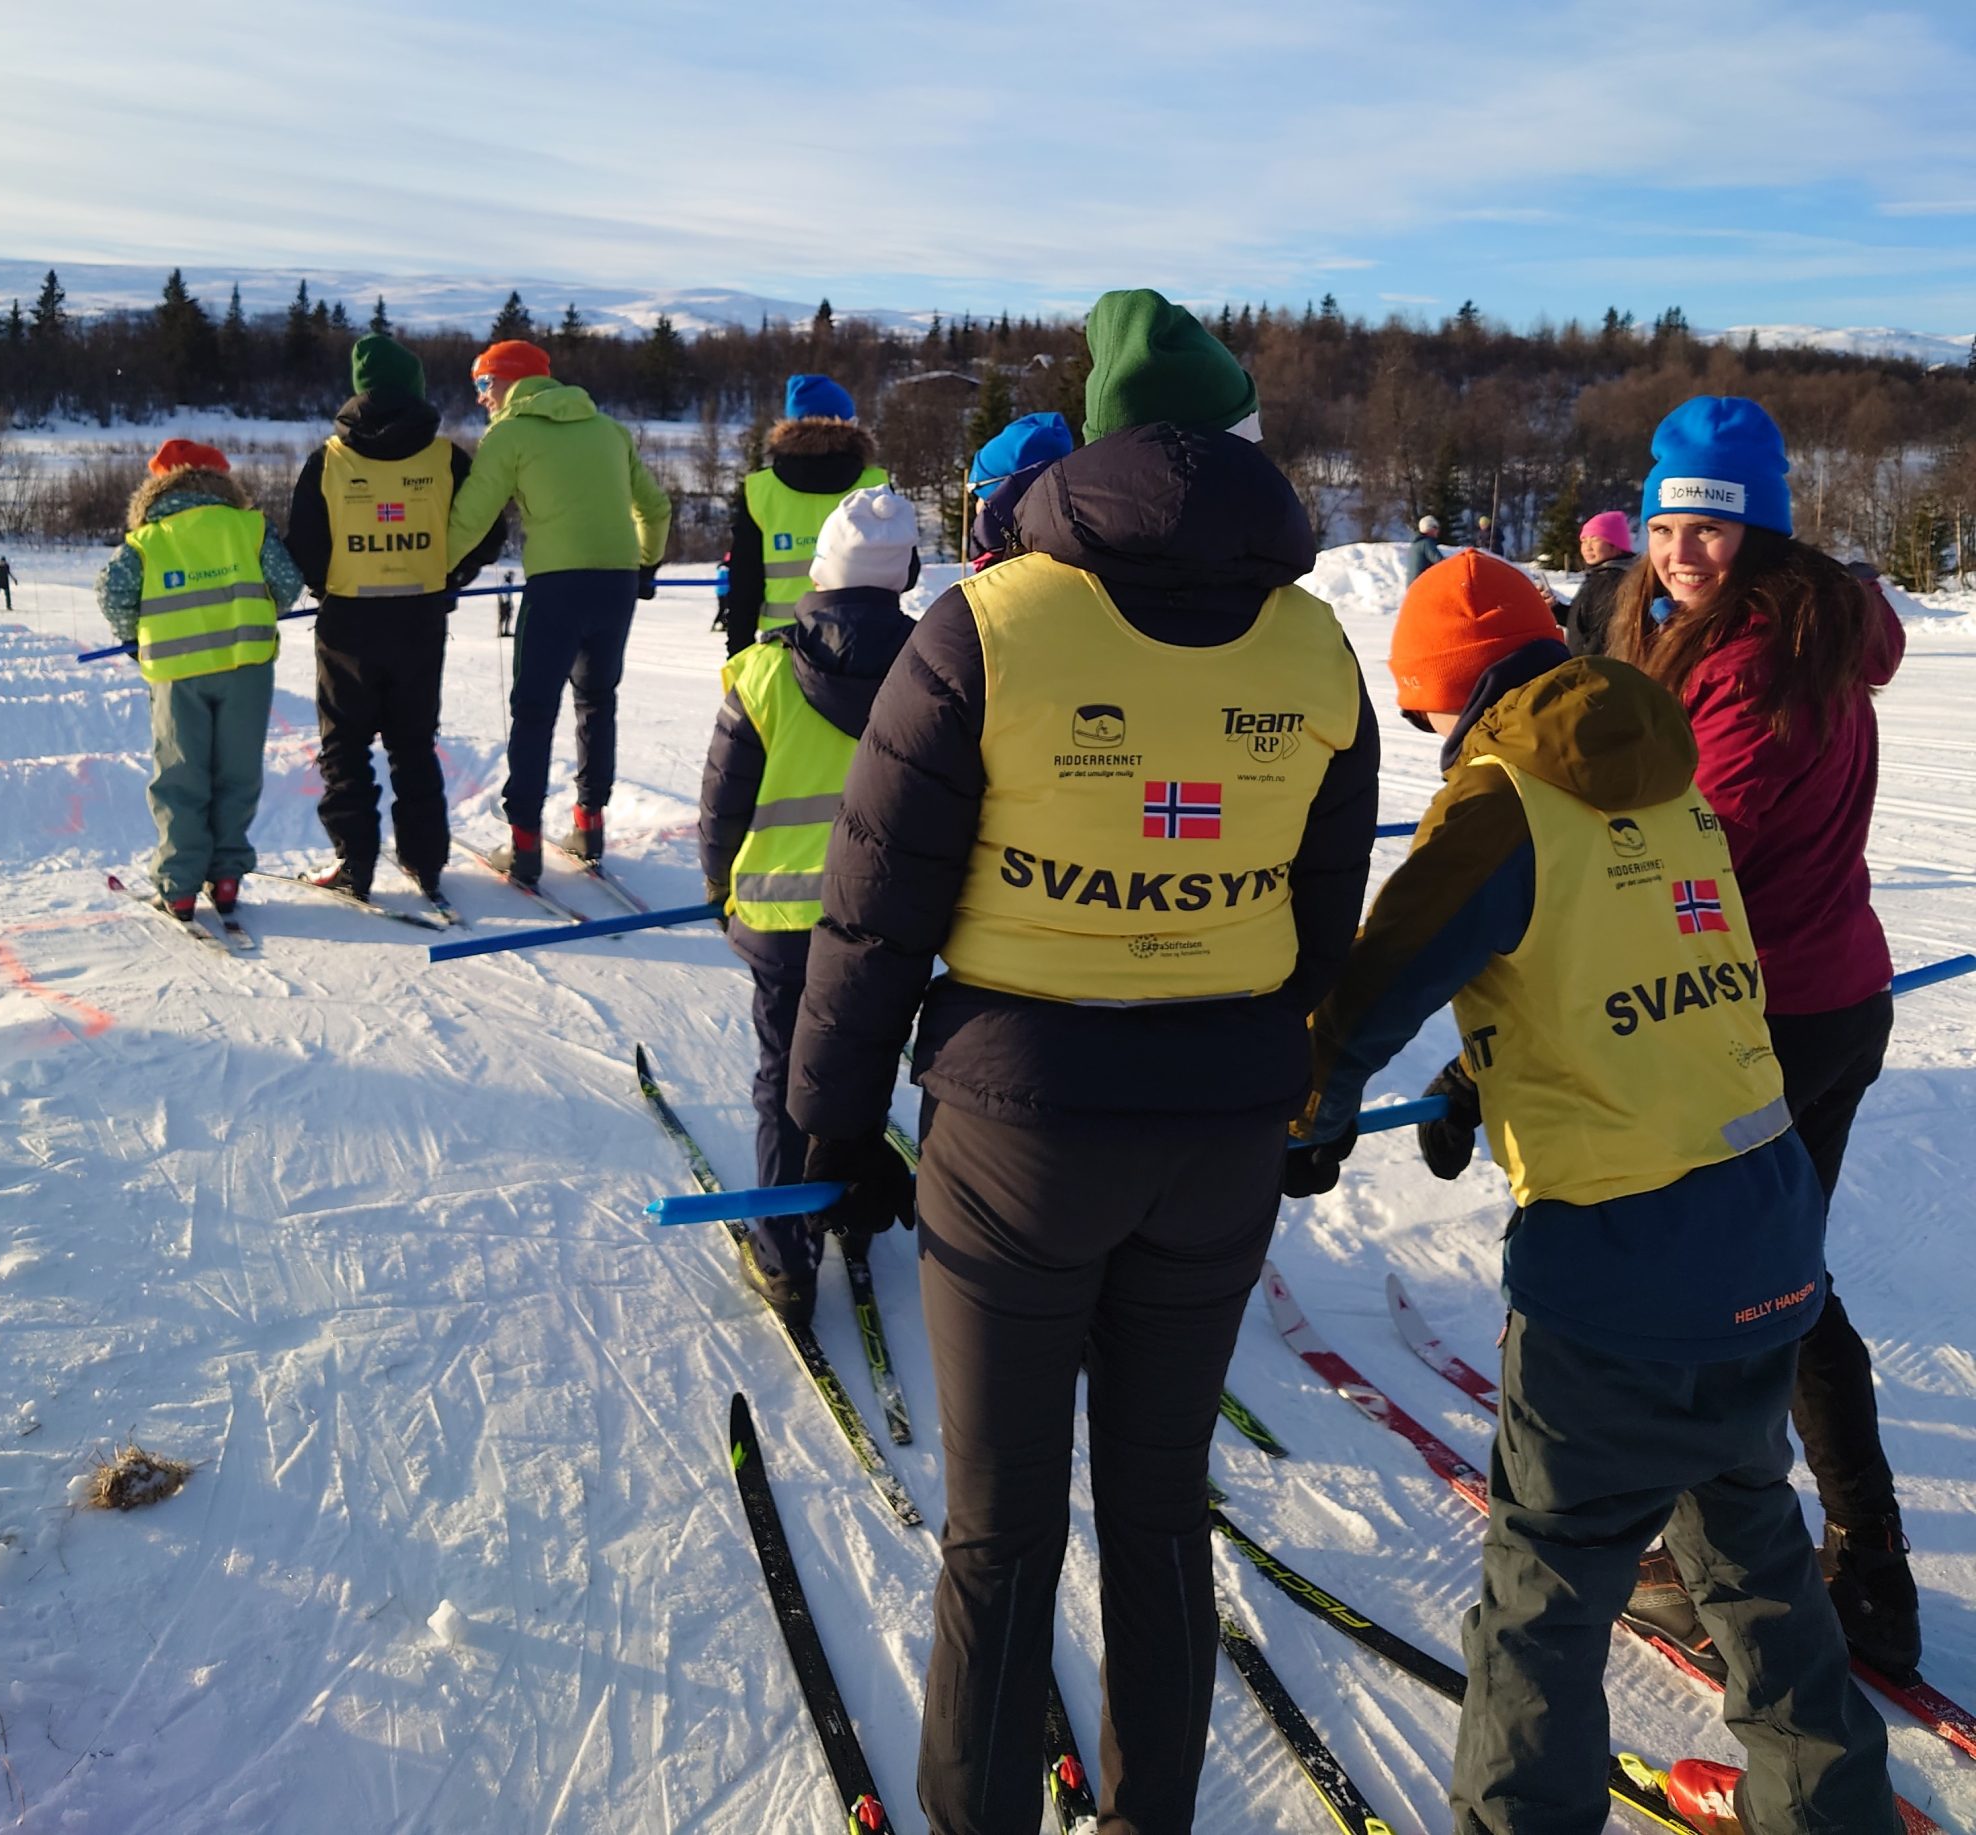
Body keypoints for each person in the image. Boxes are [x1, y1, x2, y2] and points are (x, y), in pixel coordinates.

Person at [787, 288, 1379, 1831]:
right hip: (1217, 1133)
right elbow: (1322, 921)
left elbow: (873, 910)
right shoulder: (1319, 646)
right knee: (1162, 1509)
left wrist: (835, 1126)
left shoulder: (985, 626)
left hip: (1019, 1131)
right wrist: (1289, 1078)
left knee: (1000, 1527)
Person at [1297, 547, 1897, 1835]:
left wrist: (1306, 1112)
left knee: (1546, 1585)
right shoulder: (1667, 781)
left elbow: (1376, 976)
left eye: (1419, 707)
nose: (1426, 735)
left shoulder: (1498, 802)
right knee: (1747, 1539)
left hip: (1617, 1260)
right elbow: (1619, 971)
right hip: (1763, 1224)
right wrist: (1482, 1067)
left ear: (1452, 690)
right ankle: (1827, 1807)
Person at [1609, 395, 1917, 1681]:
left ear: (1765, 534)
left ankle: (1723, 1565)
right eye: (1665, 524)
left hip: (1761, 1013)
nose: (1681, 551)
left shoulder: (1754, 659)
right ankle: (1865, 1556)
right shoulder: (1785, 630)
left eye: (1712, 528)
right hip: (1824, 992)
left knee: (1717, 1289)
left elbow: (1688, 848)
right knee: (1780, 1281)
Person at [698, 485, 921, 1326]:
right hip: (886, 924)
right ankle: (848, 1202)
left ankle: (785, 1256)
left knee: (782, 1083)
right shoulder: (932, 668)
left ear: (822, 571)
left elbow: (722, 807)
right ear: (903, 577)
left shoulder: (763, 672)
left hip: (782, 928)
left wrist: (719, 890)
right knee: (857, 1064)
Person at [285, 334, 505, 901]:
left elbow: (304, 543)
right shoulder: (446, 459)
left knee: (345, 747)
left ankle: (354, 862)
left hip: (347, 624)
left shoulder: (328, 461)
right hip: (419, 619)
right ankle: (424, 861)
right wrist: (450, 574)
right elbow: (488, 531)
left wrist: (327, 585)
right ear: (416, 389)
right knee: (413, 744)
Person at [444, 340, 671, 884]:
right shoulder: (609, 430)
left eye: (483, 384)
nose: (480, 398)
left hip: (556, 586)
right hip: (616, 582)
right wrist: (645, 565)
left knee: (534, 709)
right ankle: (589, 826)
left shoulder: (510, 434)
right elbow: (655, 506)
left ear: (508, 380)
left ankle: (524, 844)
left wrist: (435, 576)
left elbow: (471, 518)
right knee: (597, 701)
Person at [95, 440, 303, 918]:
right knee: (237, 774)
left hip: (176, 674)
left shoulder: (148, 539)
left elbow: (112, 592)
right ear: (222, 480)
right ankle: (226, 877)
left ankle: (180, 886)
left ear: (159, 483)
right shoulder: (250, 527)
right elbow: (287, 583)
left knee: (180, 777)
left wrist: (134, 639)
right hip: (246, 668)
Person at [721, 374, 885, 656]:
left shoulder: (761, 491)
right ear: (850, 424)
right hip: (863, 647)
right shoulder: (876, 487)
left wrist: (738, 654)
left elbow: (744, 583)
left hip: (783, 648)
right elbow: (905, 573)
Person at [965, 410, 1074, 570]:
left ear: (1005, 495)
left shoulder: (1006, 575)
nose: (976, 505)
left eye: (978, 494)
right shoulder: (1079, 547)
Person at [1559, 509, 1636, 656]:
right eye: (1584, 540)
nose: (1587, 547)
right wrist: (1556, 609)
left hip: (1595, 666)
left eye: (1595, 539)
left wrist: (1582, 664)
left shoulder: (1615, 580)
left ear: (1615, 545)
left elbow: (1602, 635)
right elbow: (1584, 622)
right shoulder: (1599, 576)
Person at [1405, 512, 1445, 584]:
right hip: (1422, 585)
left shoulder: (1414, 546)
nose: (1438, 531)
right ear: (1430, 528)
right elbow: (1440, 562)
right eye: (1436, 527)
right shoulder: (1427, 543)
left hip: (1412, 586)